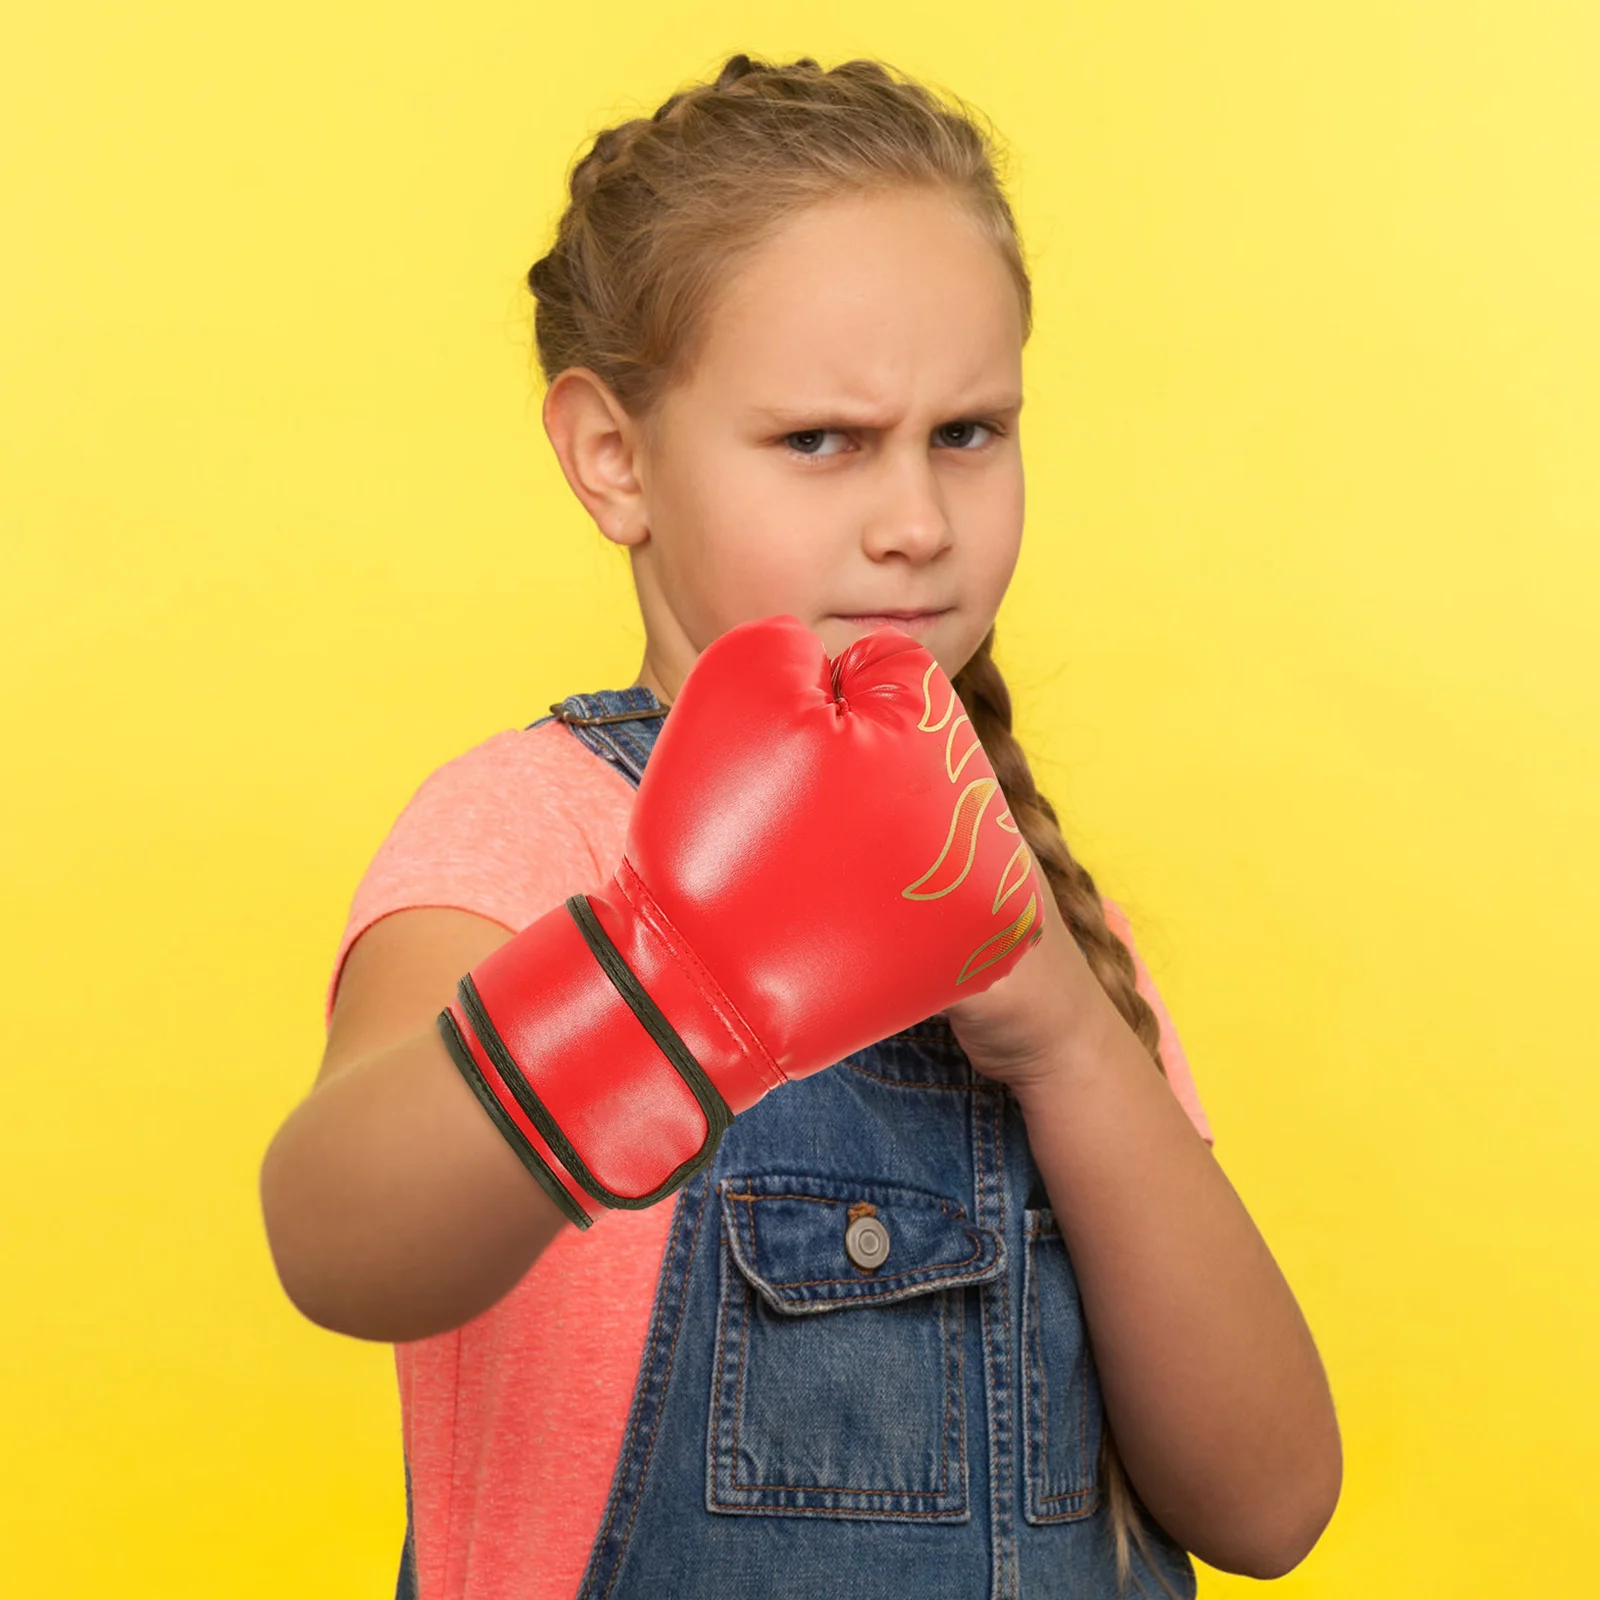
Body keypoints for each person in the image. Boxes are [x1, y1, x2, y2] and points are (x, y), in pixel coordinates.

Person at [259, 52, 1342, 1600]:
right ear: (613, 456)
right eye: (823, 441)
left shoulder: (1023, 894)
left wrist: (1070, 1042)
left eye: (968, 432)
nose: (916, 520)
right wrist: (669, 977)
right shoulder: (533, 831)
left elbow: (1273, 1504)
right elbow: (335, 1242)